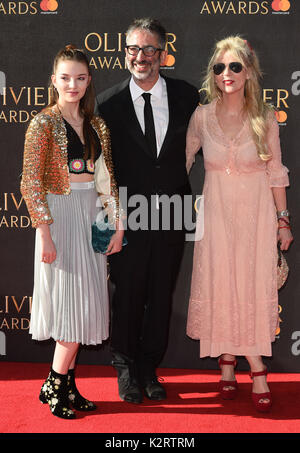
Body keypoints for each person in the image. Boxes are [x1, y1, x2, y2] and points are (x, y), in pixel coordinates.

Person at [186, 36, 293, 412]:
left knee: (248, 285)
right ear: (212, 75)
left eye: (234, 66)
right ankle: (238, 362)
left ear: (248, 71)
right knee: (222, 282)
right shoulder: (201, 116)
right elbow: (179, 164)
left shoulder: (264, 116)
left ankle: (244, 363)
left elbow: (275, 170)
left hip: (256, 216)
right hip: (216, 217)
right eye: (219, 67)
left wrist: (283, 221)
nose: (226, 74)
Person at [95, 18, 199, 404]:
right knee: (127, 293)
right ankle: (126, 368)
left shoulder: (188, 96)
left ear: (163, 53)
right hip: (127, 216)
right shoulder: (107, 103)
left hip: (172, 212)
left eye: (149, 49)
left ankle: (149, 368)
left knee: (160, 293)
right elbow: (101, 170)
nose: (140, 57)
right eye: (133, 49)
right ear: (125, 53)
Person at [21, 45, 123, 419]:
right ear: (53, 81)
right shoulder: (42, 124)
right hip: (59, 217)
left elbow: (108, 179)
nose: (72, 84)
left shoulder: (96, 125)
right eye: (65, 77)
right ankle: (54, 383)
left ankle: (64, 384)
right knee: (68, 304)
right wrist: (45, 233)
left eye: (80, 78)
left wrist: (117, 223)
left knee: (84, 304)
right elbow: (31, 184)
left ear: (88, 81)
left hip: (91, 215)